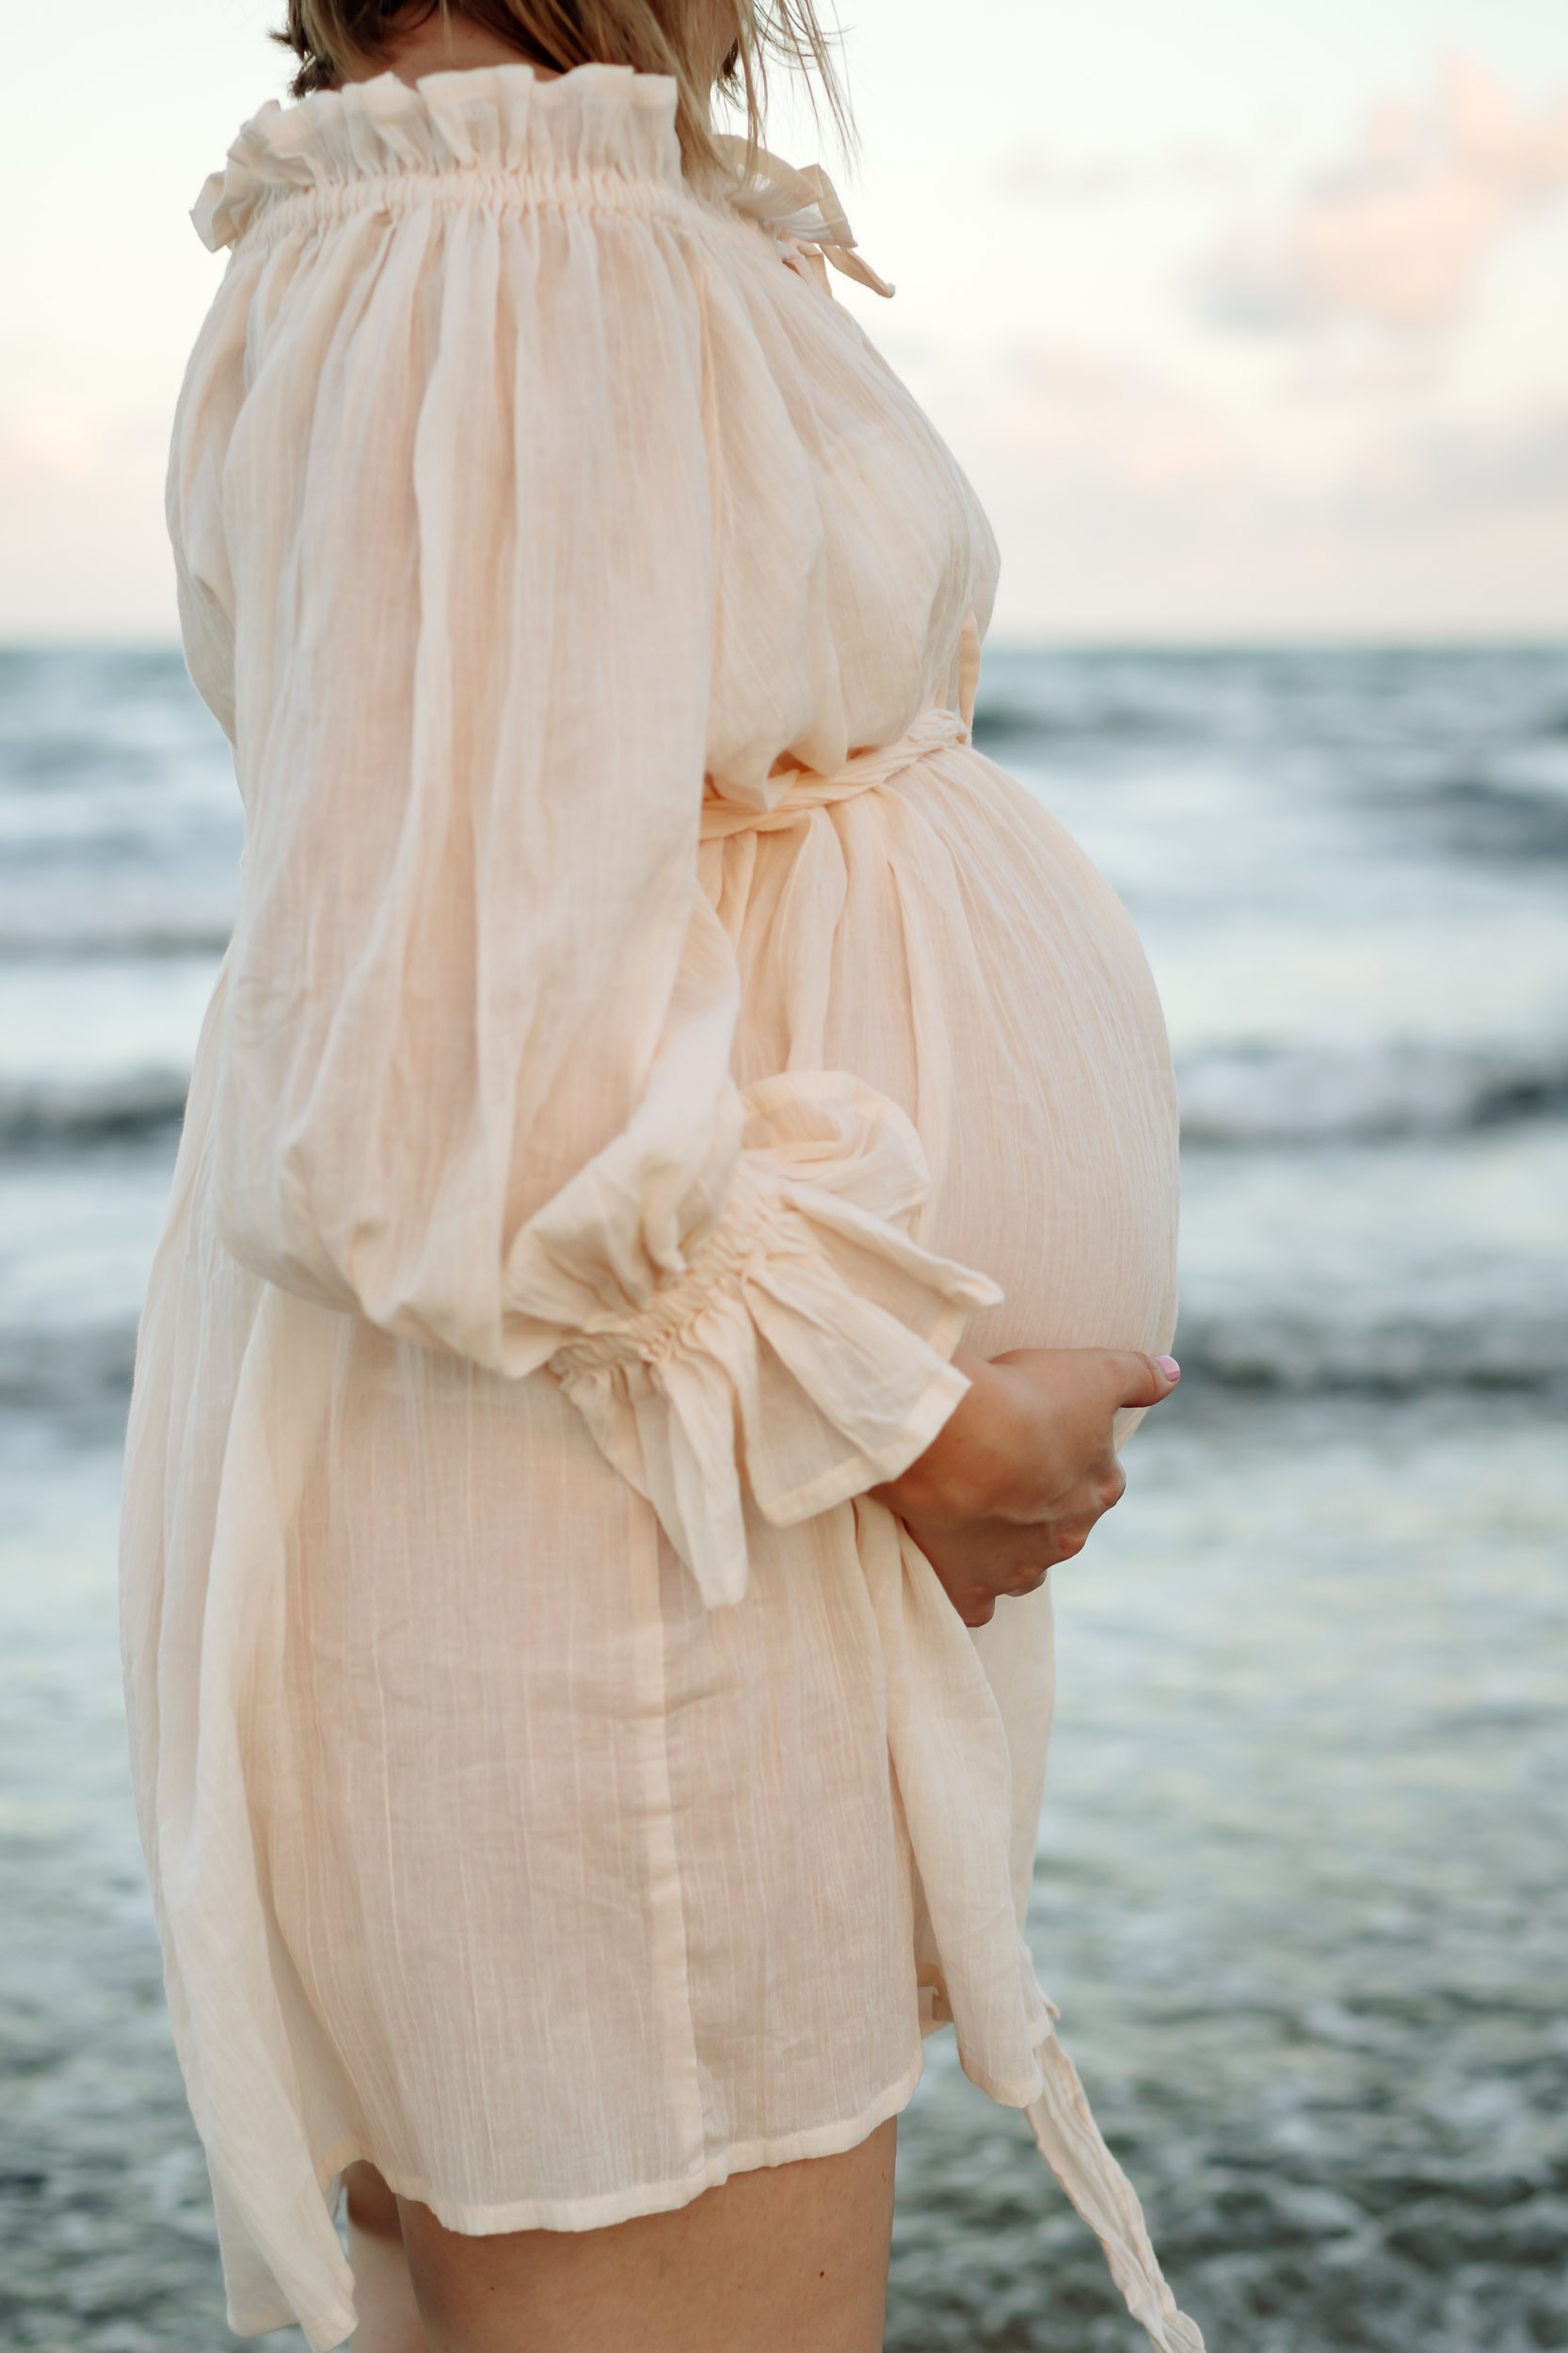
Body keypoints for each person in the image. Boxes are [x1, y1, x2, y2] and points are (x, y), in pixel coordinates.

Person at [120, 5, 1205, 2349]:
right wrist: (908, 1416)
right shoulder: (486, 232)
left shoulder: (475, 208)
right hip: (631, 1529)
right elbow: (440, 1066)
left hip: (610, 1487)